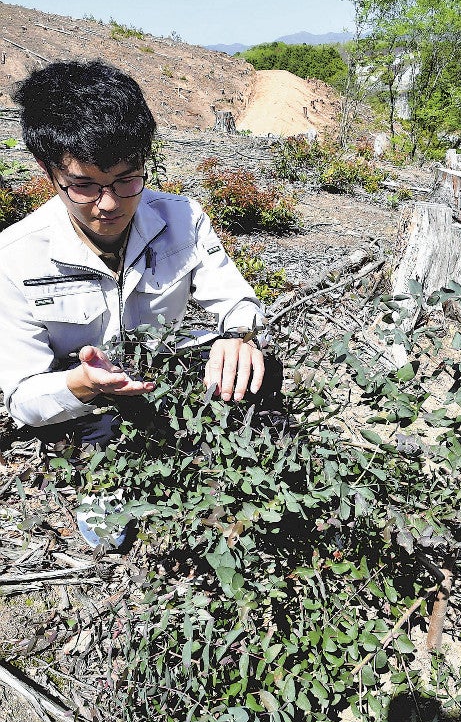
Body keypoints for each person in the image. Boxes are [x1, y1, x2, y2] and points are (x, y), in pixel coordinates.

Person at [0, 59, 267, 547]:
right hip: (84, 421)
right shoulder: (15, 258)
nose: (109, 204)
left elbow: (236, 298)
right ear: (47, 170)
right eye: (83, 185)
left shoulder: (182, 218)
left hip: (170, 394)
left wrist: (240, 335)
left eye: (126, 179)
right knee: (109, 541)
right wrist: (82, 385)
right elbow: (21, 399)